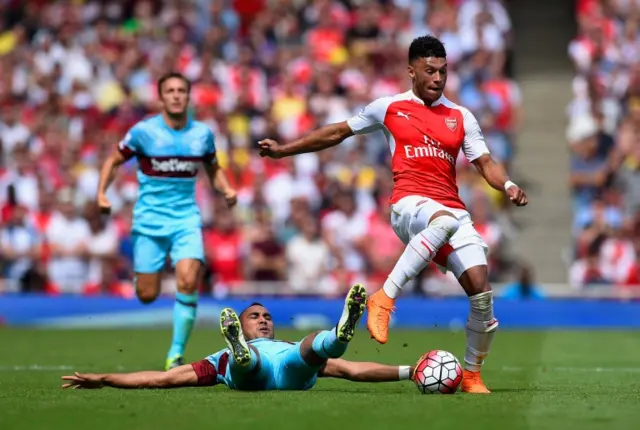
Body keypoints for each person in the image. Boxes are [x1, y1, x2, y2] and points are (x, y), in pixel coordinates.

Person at [258, 35, 529, 394]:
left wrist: (507, 184)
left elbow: (485, 162)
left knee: (481, 291)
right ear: (411, 71)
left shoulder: (461, 116)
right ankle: (384, 297)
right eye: (429, 71)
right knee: (443, 220)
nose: (437, 78)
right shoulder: (388, 107)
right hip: (409, 206)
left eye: (443, 72)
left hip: (450, 209)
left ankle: (472, 375)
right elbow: (338, 132)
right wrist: (284, 150)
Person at [96, 72, 237, 370]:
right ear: (161, 98)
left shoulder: (202, 134)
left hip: (186, 219)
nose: (175, 95)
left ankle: (176, 354)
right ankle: (142, 279)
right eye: (170, 91)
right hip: (149, 221)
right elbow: (113, 160)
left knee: (188, 279)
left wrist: (225, 188)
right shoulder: (143, 132)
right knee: (147, 295)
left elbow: (213, 168)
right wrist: (101, 194)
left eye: (181, 90)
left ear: (188, 97)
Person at [60, 284, 416, 390]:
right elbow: (162, 378)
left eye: (267, 317)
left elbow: (354, 370)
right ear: (242, 325)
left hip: (289, 367)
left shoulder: (288, 344)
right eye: (254, 317)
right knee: (249, 363)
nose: (262, 320)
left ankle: (341, 331)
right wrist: (105, 379)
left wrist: (408, 370)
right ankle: (244, 355)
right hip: (251, 367)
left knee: (311, 347)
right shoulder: (216, 360)